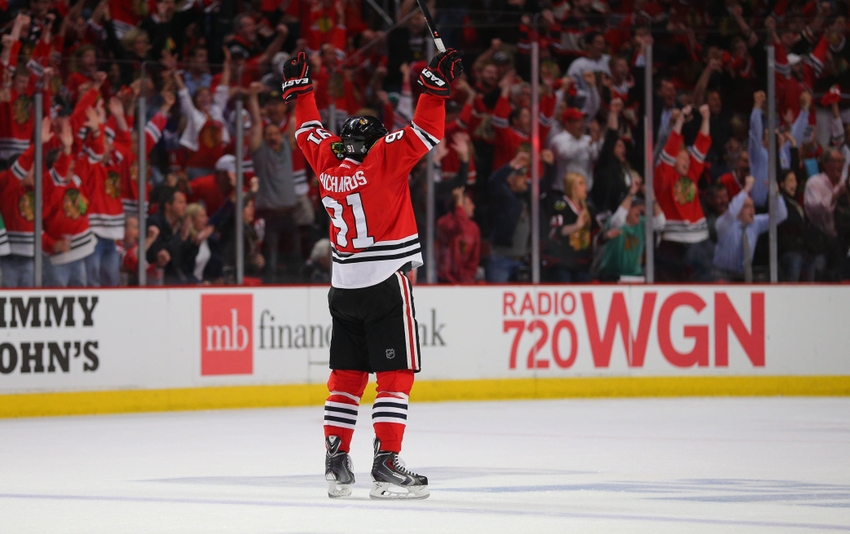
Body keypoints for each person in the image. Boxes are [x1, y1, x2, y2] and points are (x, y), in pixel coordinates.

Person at [284, 47, 463, 500]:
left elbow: (308, 129)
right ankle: (385, 464)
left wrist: (302, 92)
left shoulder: (327, 160)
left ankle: (336, 462)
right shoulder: (384, 156)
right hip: (385, 283)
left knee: (346, 377)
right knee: (396, 376)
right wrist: (433, 87)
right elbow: (426, 130)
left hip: (342, 288)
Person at [713, 176, 788, 282]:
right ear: (738, 209)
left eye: (753, 207)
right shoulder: (724, 223)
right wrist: (746, 189)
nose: (752, 211)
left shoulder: (755, 223)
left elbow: (781, 215)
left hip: (744, 275)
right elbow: (732, 210)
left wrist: (776, 193)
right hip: (722, 274)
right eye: (747, 207)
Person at [598, 180, 666, 281]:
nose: (639, 209)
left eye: (640, 206)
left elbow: (661, 222)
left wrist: (652, 198)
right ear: (626, 208)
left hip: (634, 276)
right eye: (635, 206)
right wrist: (630, 194)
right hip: (611, 276)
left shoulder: (642, 223)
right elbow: (619, 219)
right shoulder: (615, 222)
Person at [436, 186, 480, 284]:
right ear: (459, 206)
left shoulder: (474, 228)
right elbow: (459, 227)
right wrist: (459, 205)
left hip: (466, 280)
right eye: (469, 204)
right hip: (445, 280)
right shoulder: (444, 222)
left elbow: (474, 258)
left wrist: (468, 276)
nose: (473, 206)